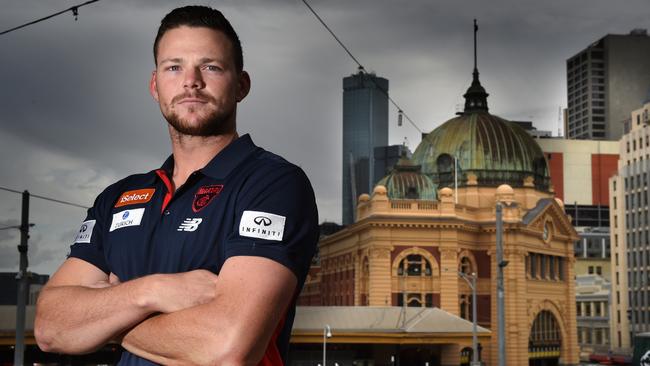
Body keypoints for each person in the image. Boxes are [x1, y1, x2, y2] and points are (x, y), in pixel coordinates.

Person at [34, 5, 319, 366]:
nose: (191, 81)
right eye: (174, 67)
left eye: (210, 66)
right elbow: (48, 326)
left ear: (241, 85)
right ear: (155, 85)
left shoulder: (273, 184)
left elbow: (227, 346)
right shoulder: (118, 198)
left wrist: (104, 318)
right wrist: (151, 292)